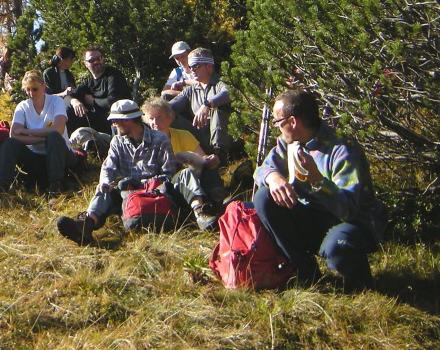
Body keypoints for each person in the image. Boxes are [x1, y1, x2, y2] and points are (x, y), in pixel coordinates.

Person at [254, 89, 384, 290]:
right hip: (310, 216)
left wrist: (318, 181)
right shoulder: (288, 143)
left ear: (293, 122)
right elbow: (262, 170)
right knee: (263, 197)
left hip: (349, 222)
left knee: (337, 247)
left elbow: (348, 210)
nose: (277, 128)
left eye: (278, 122)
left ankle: (362, 283)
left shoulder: (341, 149)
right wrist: (273, 177)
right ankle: (305, 270)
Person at [56, 99, 177, 246]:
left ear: (127, 121)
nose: (113, 124)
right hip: (126, 193)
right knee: (104, 190)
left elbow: (169, 174)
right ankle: (86, 224)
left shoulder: (160, 139)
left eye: (115, 121)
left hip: (152, 195)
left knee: (121, 187)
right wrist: (105, 182)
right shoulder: (117, 142)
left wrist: (138, 184)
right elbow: (109, 167)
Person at [142, 96, 225, 230]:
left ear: (169, 118)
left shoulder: (183, 135)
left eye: (159, 117)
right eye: (151, 119)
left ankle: (219, 203)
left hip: (193, 179)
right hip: (167, 186)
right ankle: (200, 213)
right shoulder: (146, 142)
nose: (155, 122)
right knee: (186, 173)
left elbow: (202, 158)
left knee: (210, 169)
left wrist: (210, 159)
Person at [0, 70, 80, 195]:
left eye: (35, 89)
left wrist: (27, 132)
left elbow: (58, 129)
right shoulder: (22, 106)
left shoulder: (56, 102)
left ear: (43, 86)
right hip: (36, 157)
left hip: (61, 155)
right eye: (28, 89)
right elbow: (14, 135)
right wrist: (42, 139)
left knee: (54, 137)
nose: (31, 93)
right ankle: (1, 189)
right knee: (9, 143)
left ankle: (56, 188)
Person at [167, 47, 232, 161]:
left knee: (218, 109)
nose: (192, 70)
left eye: (196, 66)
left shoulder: (222, 82)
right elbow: (170, 107)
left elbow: (229, 93)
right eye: (190, 67)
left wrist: (207, 104)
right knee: (168, 114)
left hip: (227, 138)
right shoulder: (191, 90)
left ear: (209, 66)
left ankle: (220, 155)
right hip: (201, 137)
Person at [66, 46, 129, 135]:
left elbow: (112, 102)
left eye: (98, 58)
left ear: (103, 59)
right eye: (91, 60)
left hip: (116, 120)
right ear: (85, 64)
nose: (96, 62)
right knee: (69, 110)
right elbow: (69, 96)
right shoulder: (89, 82)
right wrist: (74, 101)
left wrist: (92, 101)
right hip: (98, 120)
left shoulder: (113, 75)